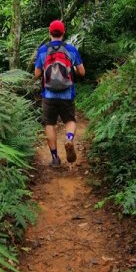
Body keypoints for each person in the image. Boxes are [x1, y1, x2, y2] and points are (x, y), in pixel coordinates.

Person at [34, 20, 85, 167]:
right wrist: (73, 69)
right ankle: (69, 139)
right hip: (67, 94)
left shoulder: (42, 50)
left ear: (49, 33)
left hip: (48, 95)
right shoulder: (71, 50)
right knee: (70, 121)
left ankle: (55, 158)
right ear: (63, 33)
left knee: (49, 124)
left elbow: (37, 74)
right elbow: (82, 72)